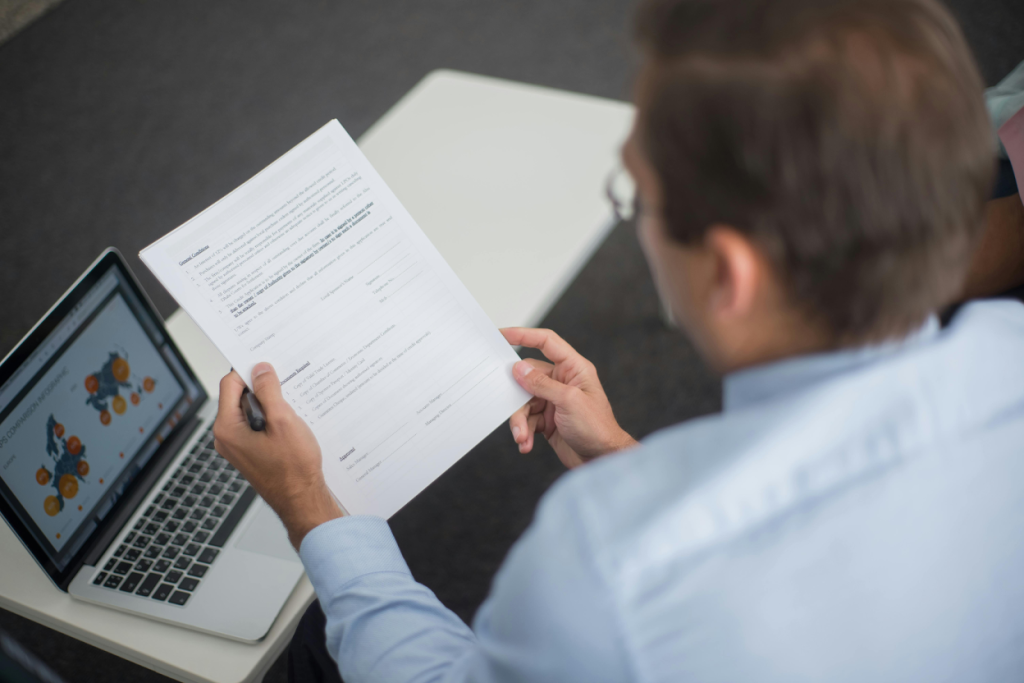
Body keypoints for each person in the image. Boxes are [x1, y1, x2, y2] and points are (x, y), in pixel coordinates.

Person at [212, 0, 1024, 680]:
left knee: (323, 640)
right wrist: (625, 455)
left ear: (728, 274)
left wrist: (310, 506)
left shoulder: (608, 564)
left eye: (638, 192)